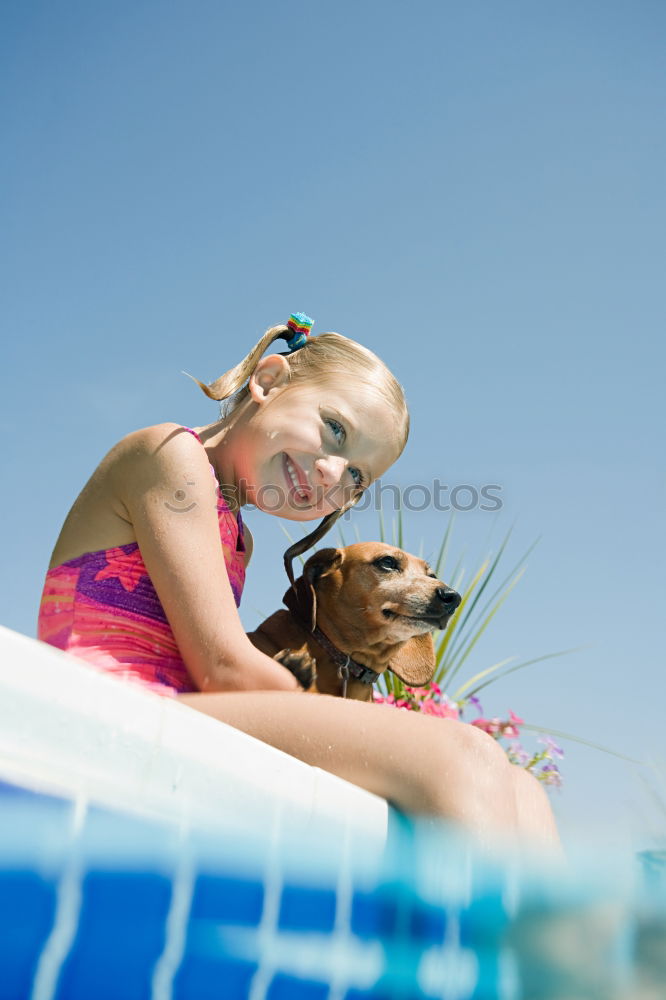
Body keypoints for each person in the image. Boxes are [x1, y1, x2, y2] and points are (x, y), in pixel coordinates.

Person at [38, 314, 559, 849]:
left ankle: (534, 934)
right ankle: (471, 933)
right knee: (462, 754)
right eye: (335, 430)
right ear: (267, 381)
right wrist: (340, 718)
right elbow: (222, 667)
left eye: (358, 477)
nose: (335, 473)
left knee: (523, 789)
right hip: (115, 707)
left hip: (171, 709)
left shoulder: (238, 534)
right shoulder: (168, 453)